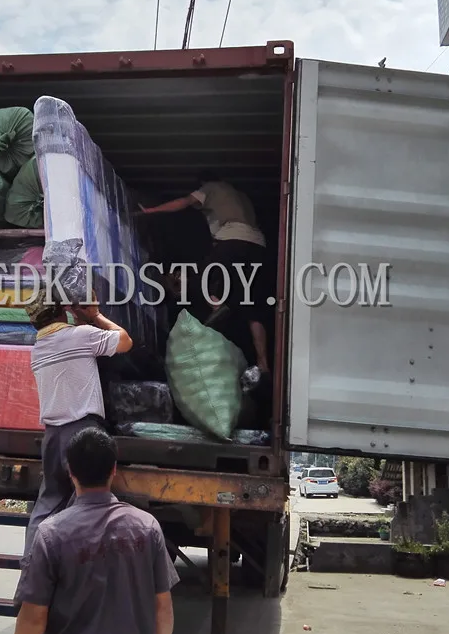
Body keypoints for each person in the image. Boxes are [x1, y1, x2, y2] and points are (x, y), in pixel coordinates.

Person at [12, 426, 179, 634]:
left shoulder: (51, 534)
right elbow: (162, 603)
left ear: (70, 471)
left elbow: (34, 616)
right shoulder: (147, 527)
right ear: (114, 470)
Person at [21, 289, 133, 566]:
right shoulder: (79, 337)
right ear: (62, 312)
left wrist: (82, 322)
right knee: (87, 503)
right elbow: (125, 342)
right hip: (82, 433)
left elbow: (76, 344)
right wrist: (95, 315)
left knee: (47, 503)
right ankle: (76, 570)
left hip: (53, 436)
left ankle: (32, 569)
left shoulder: (39, 349)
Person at [139, 179, 272, 372]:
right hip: (258, 246)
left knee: (202, 278)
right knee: (253, 308)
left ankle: (217, 305)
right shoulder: (241, 196)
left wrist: (151, 211)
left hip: (234, 239)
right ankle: (263, 363)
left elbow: (183, 202)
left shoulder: (211, 188)